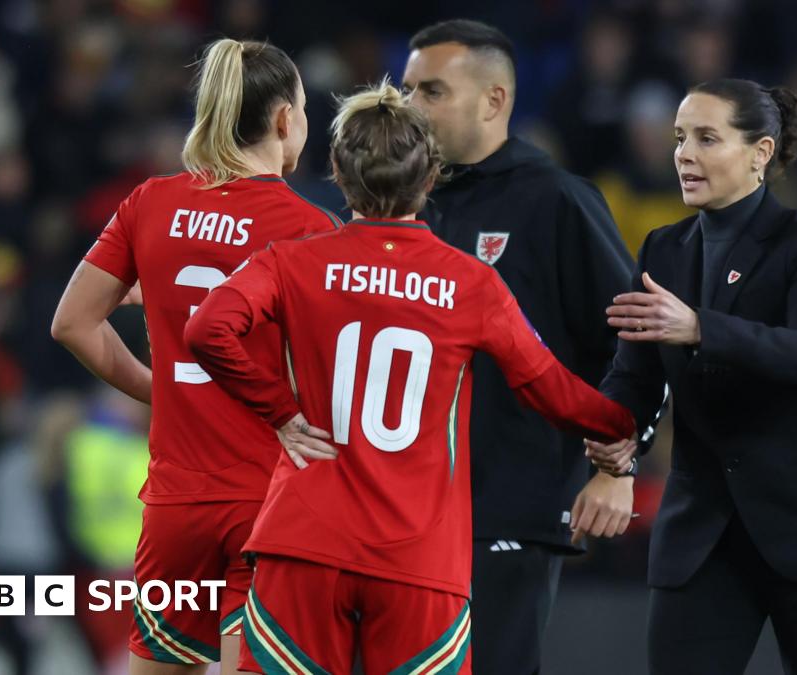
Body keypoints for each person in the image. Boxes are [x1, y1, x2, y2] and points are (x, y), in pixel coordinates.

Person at [184, 80, 636, 675]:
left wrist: (280, 412)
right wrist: (620, 430)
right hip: (420, 559)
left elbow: (207, 328)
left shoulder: (293, 259)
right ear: (430, 180)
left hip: (304, 543)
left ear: (339, 178)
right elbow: (550, 389)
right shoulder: (472, 282)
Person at [588, 78, 797, 675]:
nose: (683, 154)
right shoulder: (662, 249)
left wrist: (700, 327)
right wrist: (613, 450)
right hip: (704, 534)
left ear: (760, 153)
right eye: (679, 138)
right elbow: (635, 377)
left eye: (706, 138)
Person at [51, 39, 341, 675]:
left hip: (175, 508)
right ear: (284, 119)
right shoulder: (313, 230)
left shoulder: (149, 202)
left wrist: (162, 390)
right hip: (267, 506)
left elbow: (72, 323)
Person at [401, 20, 639, 674]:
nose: (410, 107)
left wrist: (617, 467)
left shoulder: (556, 201)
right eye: (407, 90)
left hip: (507, 505)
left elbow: (639, 343)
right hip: (399, 510)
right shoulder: (404, 208)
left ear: (494, 100)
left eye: (432, 91)